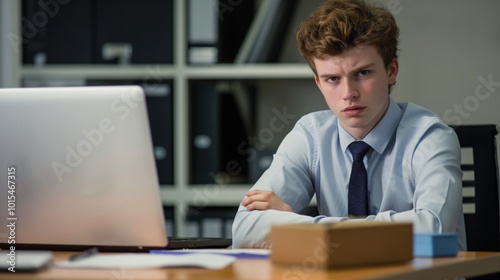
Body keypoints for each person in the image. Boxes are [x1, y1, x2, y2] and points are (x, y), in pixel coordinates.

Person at [231, 0, 466, 250]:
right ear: (319, 84)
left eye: (362, 73)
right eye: (332, 79)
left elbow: (433, 228)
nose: (348, 93)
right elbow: (246, 229)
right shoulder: (310, 135)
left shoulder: (430, 137)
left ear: (391, 70)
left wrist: (299, 226)